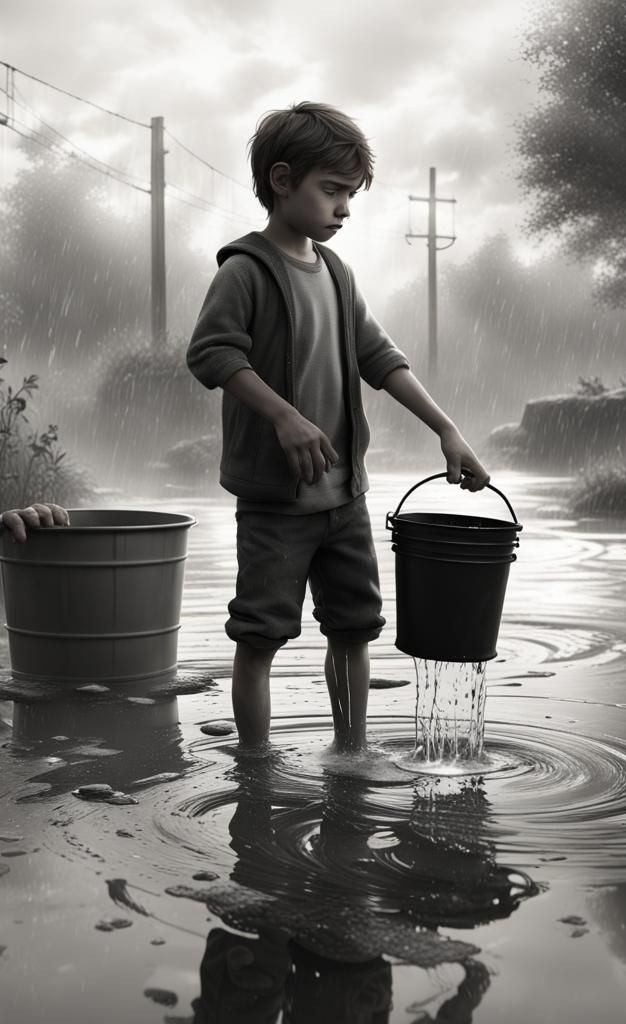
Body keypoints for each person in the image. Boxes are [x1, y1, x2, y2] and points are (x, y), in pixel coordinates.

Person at [185, 101, 490, 753]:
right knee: (259, 635)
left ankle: (350, 756)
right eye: (332, 191)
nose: (344, 209)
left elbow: (380, 358)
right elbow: (211, 354)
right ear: (282, 180)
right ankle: (255, 766)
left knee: (355, 628)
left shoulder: (337, 274)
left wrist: (446, 429)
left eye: (351, 194)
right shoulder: (245, 271)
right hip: (275, 502)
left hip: (345, 498)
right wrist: (284, 416)